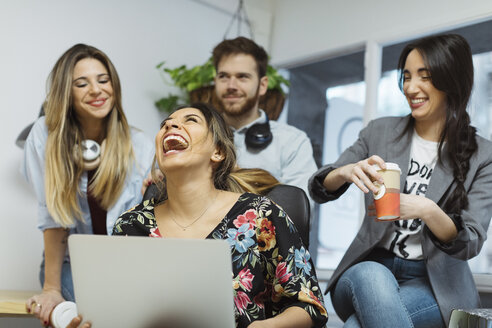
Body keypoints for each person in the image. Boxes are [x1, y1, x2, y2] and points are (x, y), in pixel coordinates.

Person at [77, 103, 325, 328]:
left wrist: (263, 327)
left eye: (190, 120)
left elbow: (309, 306)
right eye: (165, 124)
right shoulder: (131, 224)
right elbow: (116, 309)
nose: (170, 125)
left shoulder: (260, 215)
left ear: (217, 152)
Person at [309, 33, 492, 328]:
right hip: (366, 269)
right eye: (406, 77)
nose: (410, 88)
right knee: (372, 276)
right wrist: (343, 172)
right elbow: (319, 189)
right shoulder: (379, 132)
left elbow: (470, 242)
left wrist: (427, 209)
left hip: (435, 283)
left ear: (451, 80)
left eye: (425, 76)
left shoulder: (483, 155)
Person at [22, 44, 154, 326]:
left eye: (103, 80)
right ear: (66, 93)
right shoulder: (44, 135)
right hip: (73, 266)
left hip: (125, 266)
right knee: (87, 317)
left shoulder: (140, 144)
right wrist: (51, 289)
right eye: (82, 84)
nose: (96, 90)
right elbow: (54, 216)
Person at [212, 37, 317, 198]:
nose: (231, 86)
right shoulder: (199, 135)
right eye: (224, 76)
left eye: (242, 77)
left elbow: (296, 212)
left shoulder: (292, 142)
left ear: (262, 85)